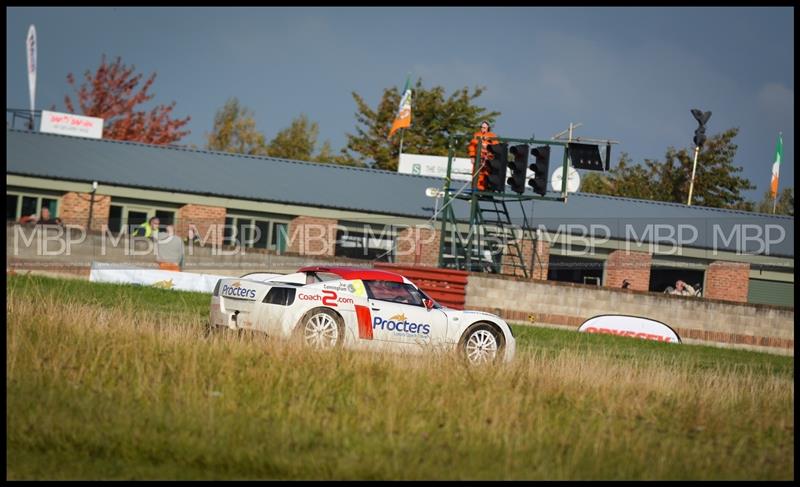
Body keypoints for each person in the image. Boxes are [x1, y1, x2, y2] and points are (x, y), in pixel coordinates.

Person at [467, 121, 498, 191]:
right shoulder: (476, 135)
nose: (482, 129)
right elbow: (472, 146)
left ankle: (485, 190)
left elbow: (496, 147)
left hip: (488, 160)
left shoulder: (492, 136)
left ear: (488, 128)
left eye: (484, 127)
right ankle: (475, 189)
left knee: (486, 175)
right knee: (476, 174)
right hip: (478, 158)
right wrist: (472, 156)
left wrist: (489, 146)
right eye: (481, 127)